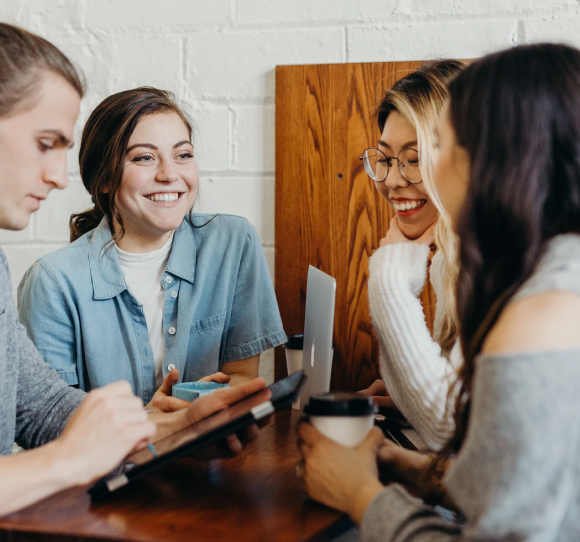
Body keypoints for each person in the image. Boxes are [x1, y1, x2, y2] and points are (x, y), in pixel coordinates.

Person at [299, 43, 580, 540]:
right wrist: (417, 472)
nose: (401, 178)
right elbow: (521, 489)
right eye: (386, 159)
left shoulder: (542, 313)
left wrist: (361, 496)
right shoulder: (548, 274)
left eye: (440, 145)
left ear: (497, 159)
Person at [0, 22, 268, 517]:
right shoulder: (54, 278)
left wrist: (167, 432)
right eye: (44, 143)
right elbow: (51, 445)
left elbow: (38, 408)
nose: (60, 177)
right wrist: (69, 460)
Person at [17, 87, 286, 405]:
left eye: (183, 155)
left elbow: (242, 375)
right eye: (144, 157)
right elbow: (49, 419)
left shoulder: (233, 243)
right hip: (110, 456)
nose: (170, 174)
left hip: (211, 451)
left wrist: (203, 408)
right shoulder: (51, 281)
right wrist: (156, 426)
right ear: (103, 179)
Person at [359, 61, 465, 450]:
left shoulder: (499, 263)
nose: (391, 180)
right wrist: (407, 397)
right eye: (385, 158)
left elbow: (448, 429)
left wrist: (389, 278)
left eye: (415, 158)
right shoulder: (450, 259)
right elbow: (459, 414)